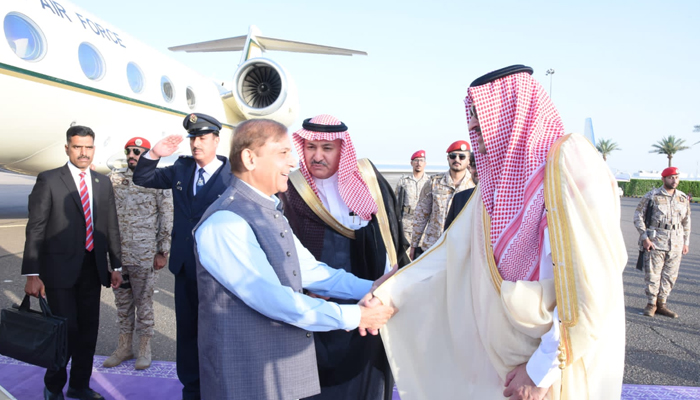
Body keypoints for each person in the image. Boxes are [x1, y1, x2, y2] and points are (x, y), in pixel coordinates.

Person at [372, 65, 627, 399]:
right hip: (505, 362)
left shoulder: (569, 163)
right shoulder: (492, 189)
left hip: (556, 366)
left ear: (514, 112)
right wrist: (391, 292)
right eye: (472, 117)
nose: (474, 127)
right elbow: (451, 254)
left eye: (482, 116)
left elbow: (591, 285)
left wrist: (539, 372)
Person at [192, 118, 396, 400]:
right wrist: (357, 315)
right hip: (245, 378)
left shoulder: (268, 210)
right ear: (250, 158)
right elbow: (274, 300)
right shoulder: (226, 222)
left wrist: (376, 288)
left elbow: (314, 273)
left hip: (276, 375)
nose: (293, 162)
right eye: (283, 153)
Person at [278, 114, 409, 400]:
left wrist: (388, 289)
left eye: (327, 148)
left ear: (343, 149)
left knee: (367, 380)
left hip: (370, 296)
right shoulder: (294, 188)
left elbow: (392, 237)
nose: (317, 156)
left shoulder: (368, 180)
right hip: (317, 302)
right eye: (311, 147)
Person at [132, 113, 233, 400]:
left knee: (219, 333)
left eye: (202, 137)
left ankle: (220, 388)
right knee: (187, 333)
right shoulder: (181, 168)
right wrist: (154, 153)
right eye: (192, 138)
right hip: (186, 267)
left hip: (219, 272)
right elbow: (143, 177)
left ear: (216, 140)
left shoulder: (233, 176)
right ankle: (192, 389)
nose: (195, 143)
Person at [22, 125, 122, 400]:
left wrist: (116, 265)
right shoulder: (50, 179)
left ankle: (79, 385)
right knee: (66, 332)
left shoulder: (102, 182)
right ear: (67, 148)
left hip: (92, 269)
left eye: (88, 147)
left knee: (88, 332)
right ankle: (54, 387)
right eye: (77, 147)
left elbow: (110, 226)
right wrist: (32, 272)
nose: (83, 152)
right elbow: (36, 227)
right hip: (58, 272)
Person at [103, 137, 173, 370]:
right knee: (122, 303)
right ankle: (124, 347)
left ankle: (145, 348)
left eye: (138, 152)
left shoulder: (157, 180)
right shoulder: (114, 179)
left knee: (143, 303)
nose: (132, 155)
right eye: (129, 152)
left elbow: (166, 217)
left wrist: (163, 251)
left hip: (144, 254)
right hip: (118, 255)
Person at [634, 166, 691, 318]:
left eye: (676, 177)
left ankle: (662, 304)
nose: (674, 180)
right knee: (653, 275)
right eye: (671, 177)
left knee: (670, 276)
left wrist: (686, 242)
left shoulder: (682, 198)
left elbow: (686, 221)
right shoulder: (652, 196)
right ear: (663, 179)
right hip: (656, 242)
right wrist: (644, 237)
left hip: (676, 243)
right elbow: (638, 216)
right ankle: (651, 304)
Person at [409, 140, 474, 259]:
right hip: (433, 246)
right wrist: (414, 245)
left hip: (462, 249)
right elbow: (421, 214)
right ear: (448, 159)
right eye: (453, 156)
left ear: (468, 160)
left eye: (462, 156)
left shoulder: (474, 185)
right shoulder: (434, 182)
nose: (457, 159)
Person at [394, 150, 430, 244]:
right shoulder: (404, 182)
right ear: (411, 163)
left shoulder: (430, 182)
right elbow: (396, 203)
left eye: (421, 160)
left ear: (425, 163)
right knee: (406, 255)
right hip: (406, 224)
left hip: (424, 225)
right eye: (416, 160)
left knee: (422, 254)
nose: (419, 163)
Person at [443, 151, 478, 231]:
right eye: (474, 166)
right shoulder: (460, 198)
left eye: (483, 165)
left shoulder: (500, 199)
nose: (478, 170)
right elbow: (449, 232)